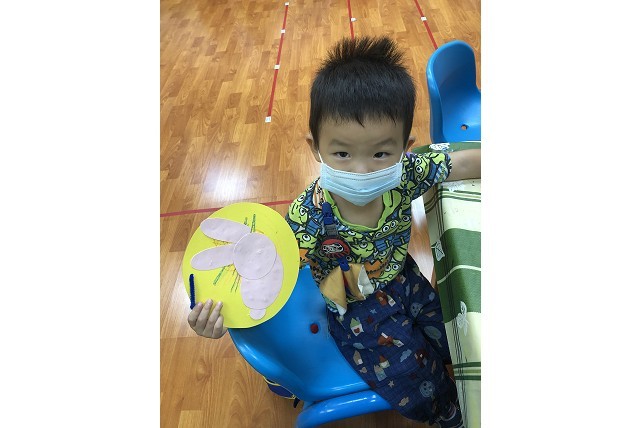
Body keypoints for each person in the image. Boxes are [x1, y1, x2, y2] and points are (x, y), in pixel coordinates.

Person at [188, 36, 480, 427]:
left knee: (456, 337)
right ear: (316, 148)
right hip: (353, 306)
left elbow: (460, 164)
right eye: (342, 153)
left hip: (403, 279)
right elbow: (257, 273)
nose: (361, 170)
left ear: (405, 147)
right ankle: (449, 414)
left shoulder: (408, 173)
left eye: (380, 153)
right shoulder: (307, 214)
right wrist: (212, 315)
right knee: (414, 377)